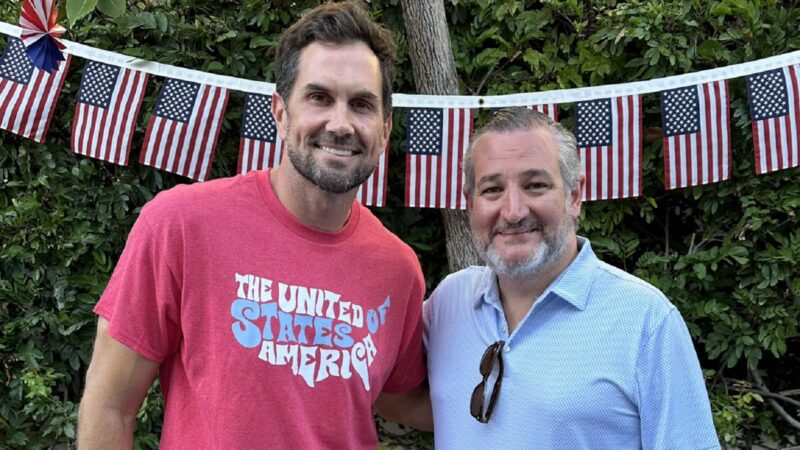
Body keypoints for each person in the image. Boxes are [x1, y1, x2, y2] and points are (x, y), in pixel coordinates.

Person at [77, 2, 430, 448]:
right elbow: (110, 404)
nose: (340, 124)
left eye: (361, 105)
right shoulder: (181, 225)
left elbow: (401, 399)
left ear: (384, 130)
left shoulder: (398, 269)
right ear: (280, 113)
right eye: (319, 98)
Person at [423, 107, 720, 448]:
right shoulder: (448, 302)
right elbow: (384, 386)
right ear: (469, 203)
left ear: (574, 196)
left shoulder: (646, 321)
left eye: (535, 185)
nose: (514, 211)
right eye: (492, 190)